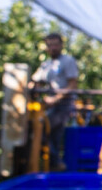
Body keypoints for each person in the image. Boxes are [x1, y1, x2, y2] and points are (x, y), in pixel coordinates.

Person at [31, 33, 79, 170]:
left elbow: (72, 85)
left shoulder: (67, 61)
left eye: (55, 44)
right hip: (48, 106)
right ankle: (53, 165)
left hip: (63, 105)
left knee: (41, 129)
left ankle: (56, 163)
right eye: (50, 45)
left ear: (61, 45)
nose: (53, 48)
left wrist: (56, 98)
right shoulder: (46, 65)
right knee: (51, 136)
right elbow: (35, 81)